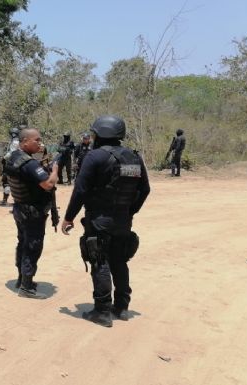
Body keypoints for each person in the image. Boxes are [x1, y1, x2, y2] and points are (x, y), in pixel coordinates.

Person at [62, 115, 151, 327]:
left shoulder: (95, 157)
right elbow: (145, 189)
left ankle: (102, 311)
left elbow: (81, 190)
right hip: (123, 221)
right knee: (119, 261)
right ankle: (121, 307)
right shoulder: (134, 158)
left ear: (100, 134)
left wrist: (68, 217)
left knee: (100, 261)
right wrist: (130, 211)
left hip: (99, 220)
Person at [4, 128, 60, 298]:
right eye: (37, 140)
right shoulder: (30, 164)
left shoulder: (13, 157)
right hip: (32, 212)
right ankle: (26, 287)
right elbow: (48, 185)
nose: (40, 143)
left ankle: (22, 279)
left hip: (20, 209)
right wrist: (55, 170)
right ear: (25, 141)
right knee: (33, 246)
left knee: (22, 243)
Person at [0, 127, 21, 206]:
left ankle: (5, 200)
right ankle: (17, 201)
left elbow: (11, 152)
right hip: (19, 164)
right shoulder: (21, 141)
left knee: (6, 181)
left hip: (11, 164)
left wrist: (4, 158)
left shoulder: (15, 142)